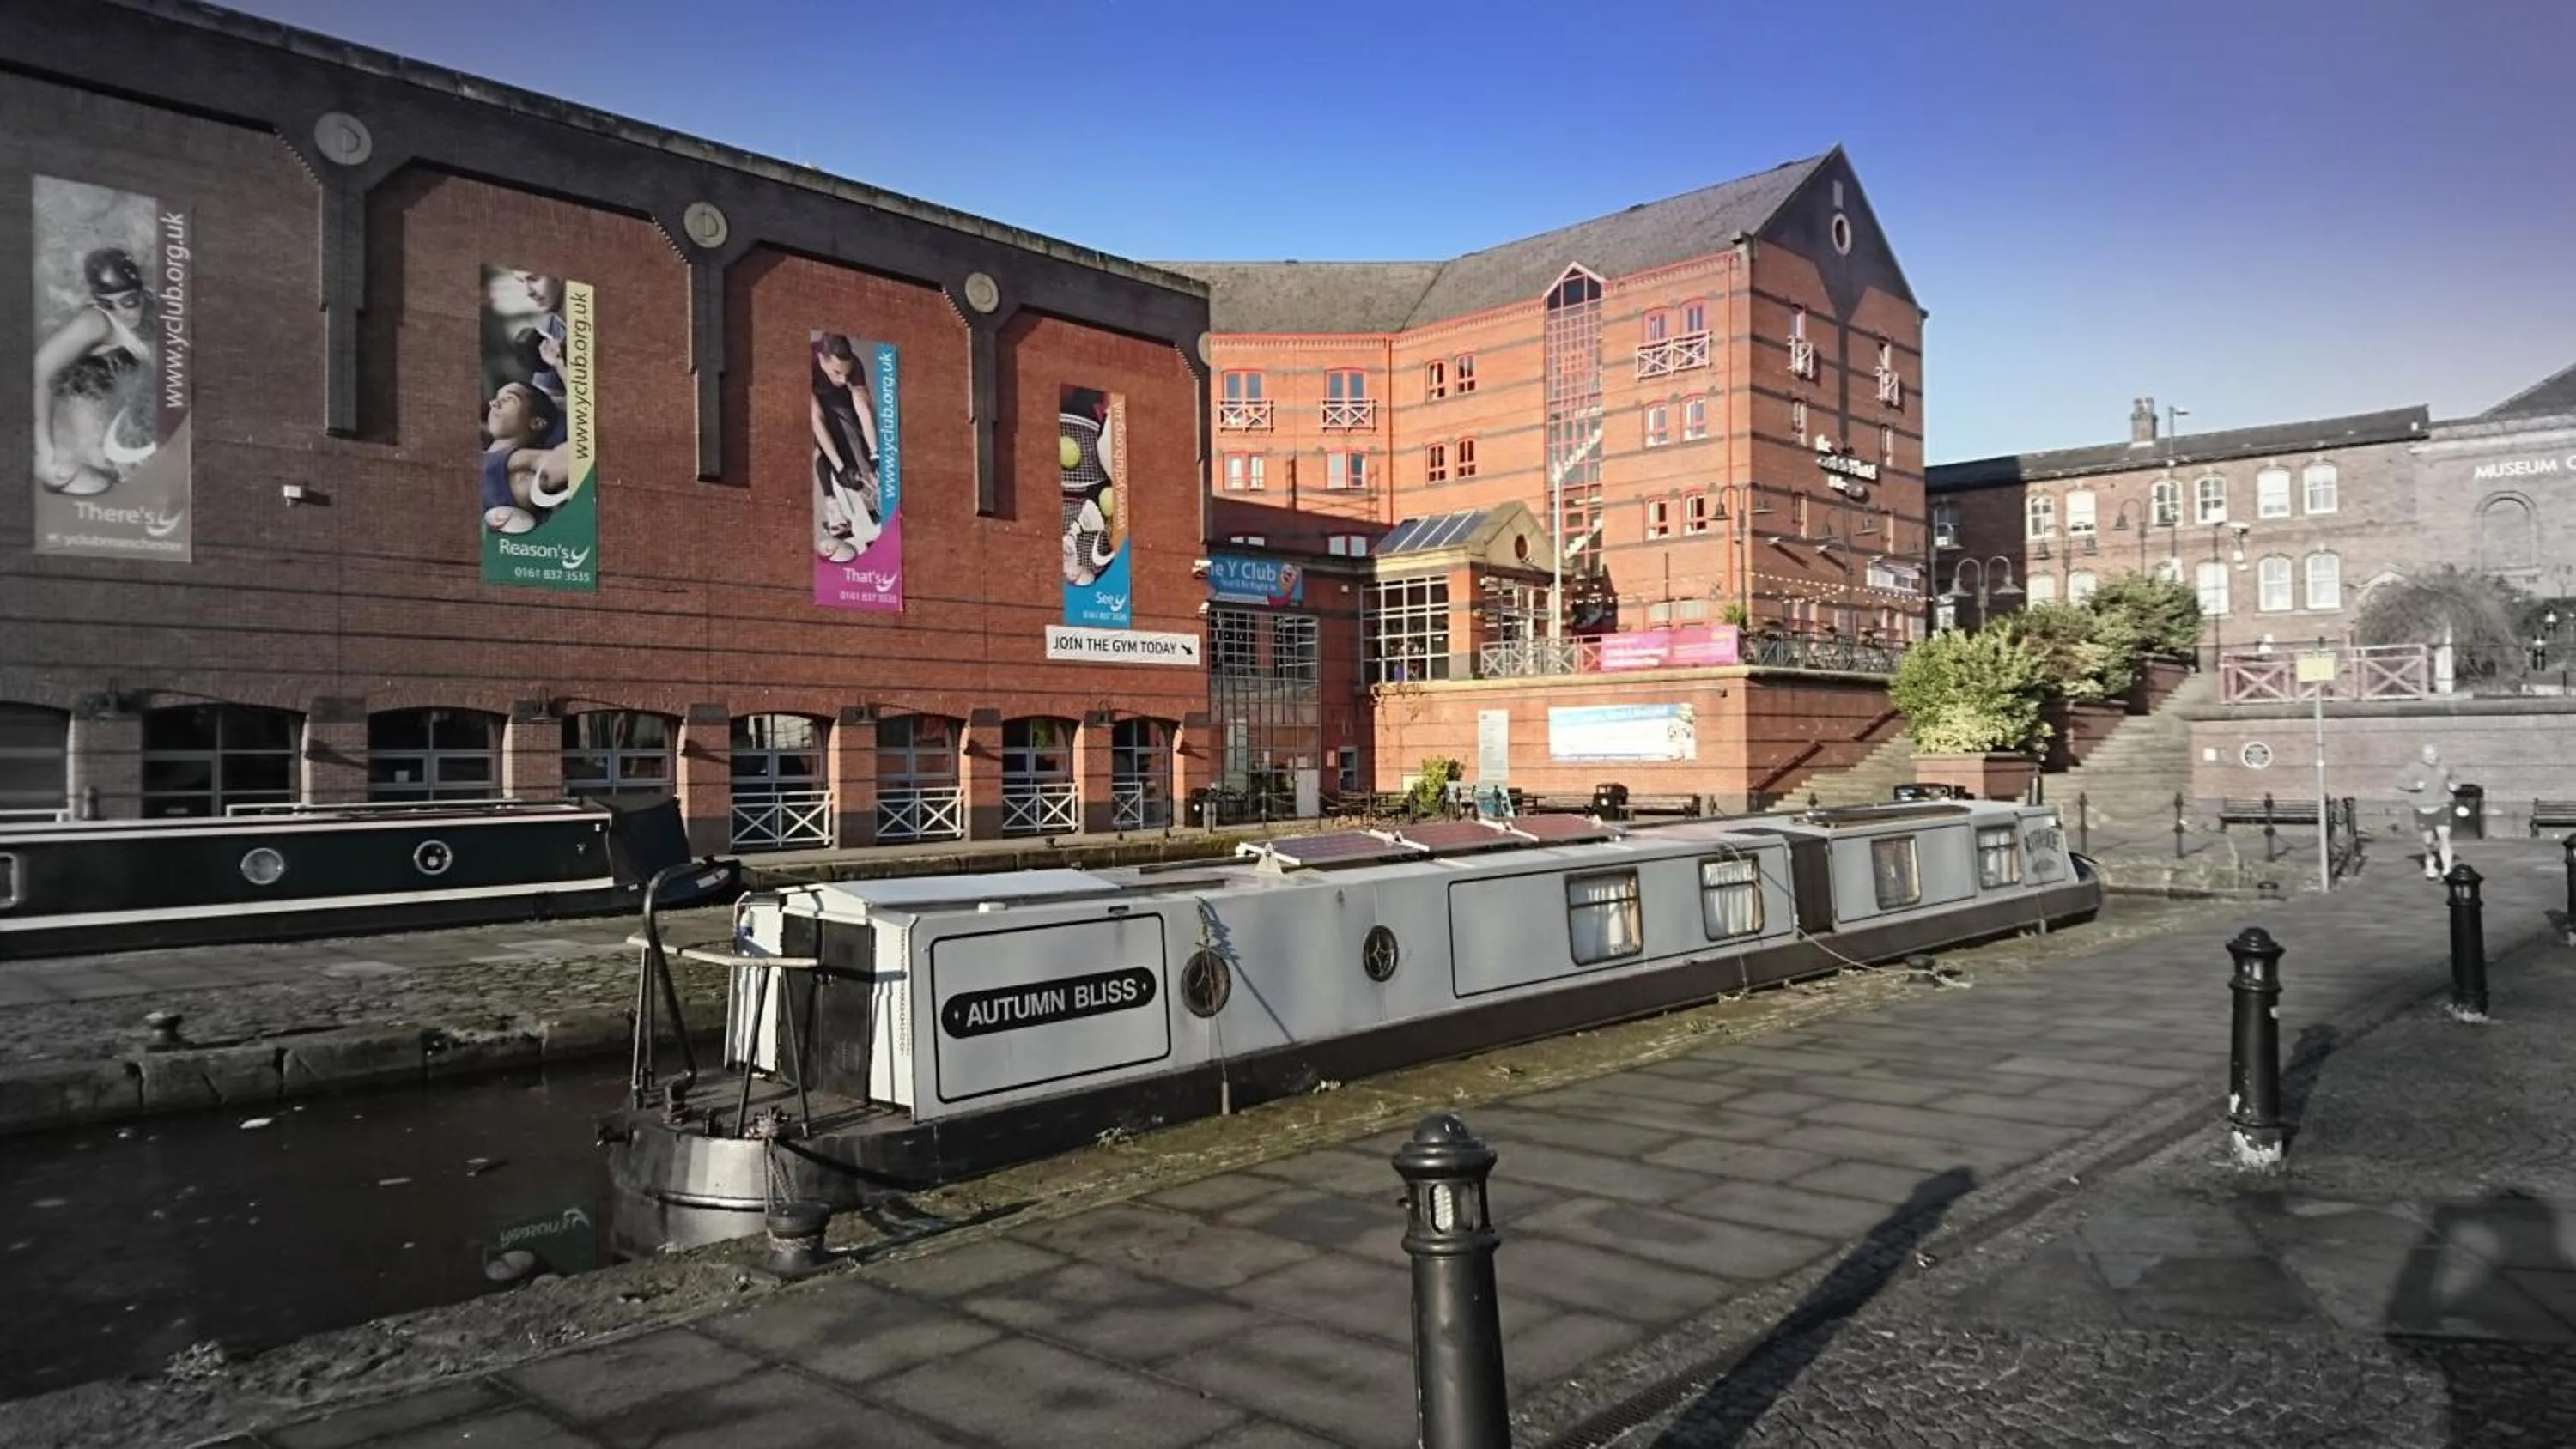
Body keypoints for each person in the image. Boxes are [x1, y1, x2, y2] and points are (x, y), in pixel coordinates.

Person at [33, 247, 155, 497]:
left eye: (129, 303)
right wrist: (45, 449)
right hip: (83, 405)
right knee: (104, 478)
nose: (120, 312)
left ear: (143, 294)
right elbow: (37, 372)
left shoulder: (157, 309)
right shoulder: (94, 323)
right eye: (107, 304)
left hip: (115, 391)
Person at [809, 334, 880, 562]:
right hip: (813, 399)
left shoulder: (853, 367)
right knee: (824, 445)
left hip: (838, 399)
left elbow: (864, 408)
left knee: (854, 437)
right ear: (822, 360)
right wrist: (839, 468)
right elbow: (817, 419)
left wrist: (875, 454)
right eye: (837, 373)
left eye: (846, 374)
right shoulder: (807, 361)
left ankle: (869, 497)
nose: (842, 378)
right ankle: (833, 505)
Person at [2396, 743, 2458, 880]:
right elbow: (2399, 782)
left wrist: (2454, 786)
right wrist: (2414, 786)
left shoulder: (2445, 765)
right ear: (2422, 756)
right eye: (2428, 755)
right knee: (2429, 841)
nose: (2431, 757)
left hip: (2442, 805)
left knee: (2444, 837)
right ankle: (2430, 860)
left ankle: (2448, 870)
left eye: (2433, 754)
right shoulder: (2414, 768)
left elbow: (2455, 779)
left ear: (2437, 754)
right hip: (2422, 807)